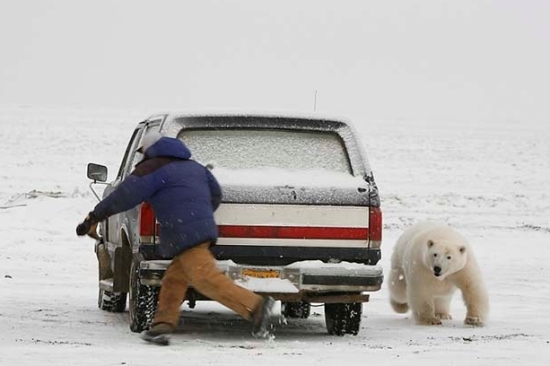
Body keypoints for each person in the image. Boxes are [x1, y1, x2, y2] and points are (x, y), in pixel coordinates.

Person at [76, 131, 275, 346]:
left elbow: (124, 195)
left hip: (184, 232)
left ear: (149, 150)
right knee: (174, 279)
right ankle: (162, 326)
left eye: (143, 151)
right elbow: (215, 194)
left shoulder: (153, 168)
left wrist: (94, 217)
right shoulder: (195, 167)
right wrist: (197, 215)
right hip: (200, 230)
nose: (143, 155)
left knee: (205, 279)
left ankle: (256, 306)